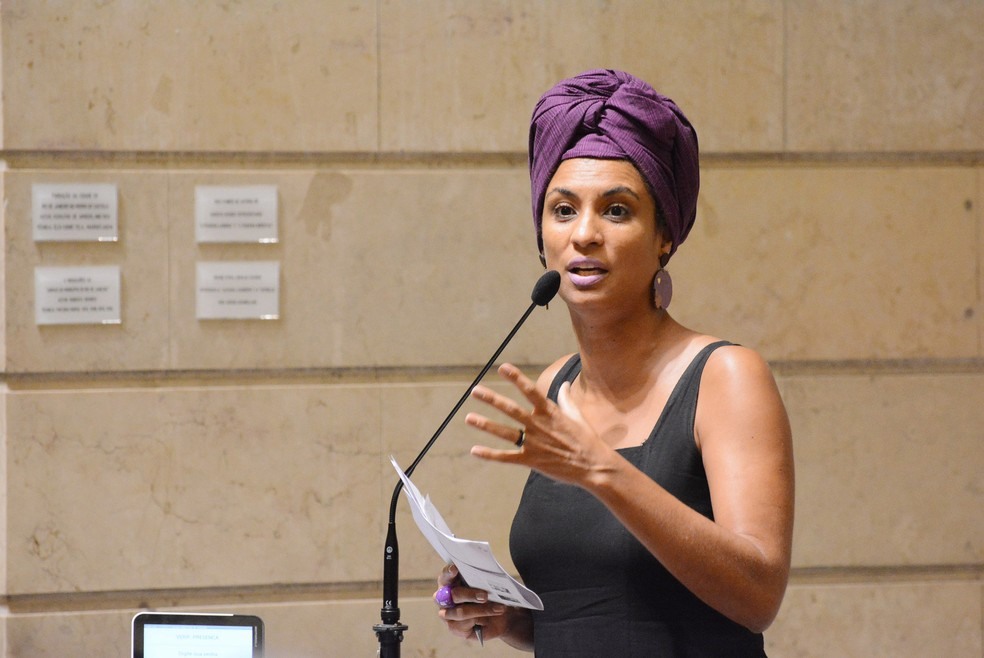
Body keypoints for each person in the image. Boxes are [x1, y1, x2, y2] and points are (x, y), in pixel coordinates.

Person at [435, 69, 794, 656]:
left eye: (618, 210)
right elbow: (588, 611)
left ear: (664, 238)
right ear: (542, 233)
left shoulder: (725, 377)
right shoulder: (555, 386)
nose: (585, 234)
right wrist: (504, 613)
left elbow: (758, 595)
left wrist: (601, 469)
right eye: (563, 209)